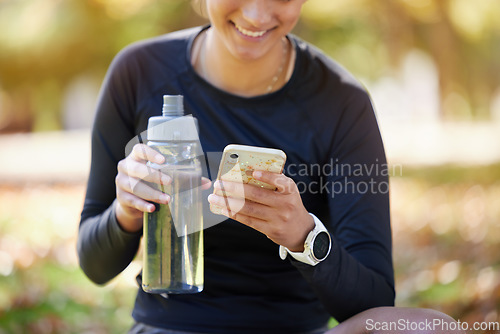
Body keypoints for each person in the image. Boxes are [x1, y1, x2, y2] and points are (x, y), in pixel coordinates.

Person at [77, 0, 396, 332]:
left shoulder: (343, 102)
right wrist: (126, 211)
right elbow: (95, 266)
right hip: (171, 326)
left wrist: (303, 235)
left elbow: (374, 306)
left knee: (434, 325)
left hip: (293, 328)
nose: (256, 15)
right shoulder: (138, 71)